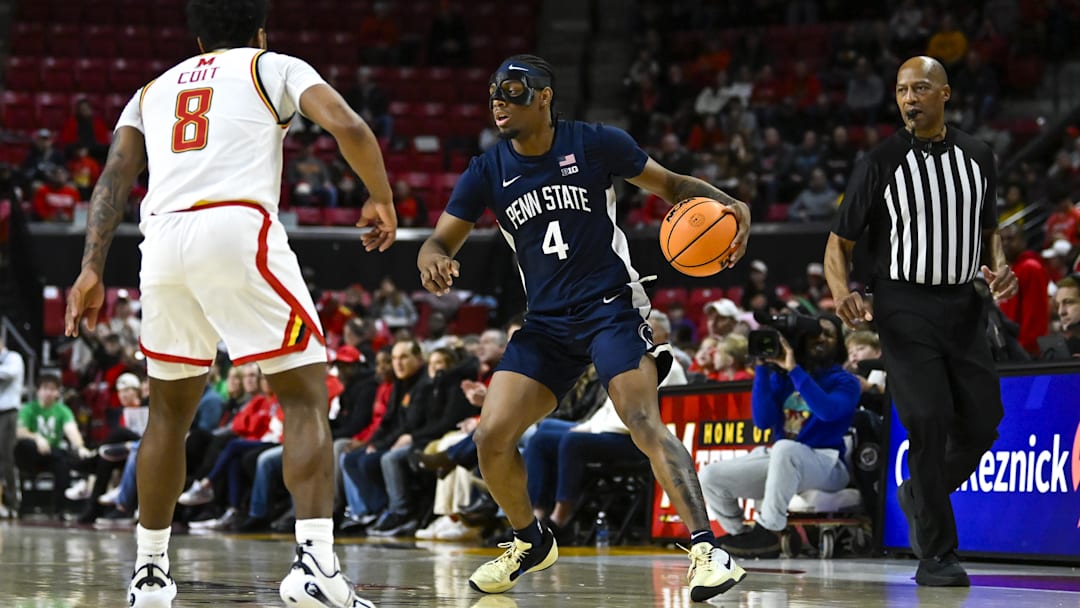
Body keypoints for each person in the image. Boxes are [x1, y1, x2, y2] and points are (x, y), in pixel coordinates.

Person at [62, 1, 395, 606]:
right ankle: (316, 566)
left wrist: (90, 268)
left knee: (167, 416)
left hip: (161, 242)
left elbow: (114, 177)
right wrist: (381, 197)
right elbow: (348, 125)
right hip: (236, 228)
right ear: (259, 32)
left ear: (197, 41)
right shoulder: (274, 65)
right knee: (305, 394)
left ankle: (150, 574)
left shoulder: (150, 90)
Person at [417, 54, 751, 602]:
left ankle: (708, 550)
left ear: (545, 96)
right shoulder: (487, 170)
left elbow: (671, 185)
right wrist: (432, 258)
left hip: (609, 307)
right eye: (494, 91)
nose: (499, 100)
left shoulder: (596, 143)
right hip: (546, 323)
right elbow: (439, 240)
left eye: (513, 90)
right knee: (490, 437)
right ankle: (530, 541)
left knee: (641, 419)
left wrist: (730, 203)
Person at [824, 56, 1018, 587]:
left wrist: (1000, 269)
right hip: (903, 303)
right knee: (928, 420)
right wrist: (841, 293)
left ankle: (918, 494)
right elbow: (838, 243)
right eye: (902, 90)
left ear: (945, 94)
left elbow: (990, 231)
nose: (910, 98)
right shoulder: (879, 161)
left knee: (984, 421)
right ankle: (937, 555)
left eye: (921, 88)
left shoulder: (979, 156)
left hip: (964, 304)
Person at [699, 314, 859, 557]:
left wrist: (795, 370)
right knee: (710, 476)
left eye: (829, 334)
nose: (821, 339)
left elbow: (827, 412)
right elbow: (763, 421)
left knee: (785, 448)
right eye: (816, 334)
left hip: (827, 464)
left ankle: (770, 530)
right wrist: (763, 368)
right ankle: (742, 535)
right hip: (783, 459)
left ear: (839, 344)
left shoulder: (845, 381)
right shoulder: (783, 378)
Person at [997, 223, 1049, 355]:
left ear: (1023, 241)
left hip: (1025, 351)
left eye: (1010, 239)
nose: (1005, 243)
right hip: (1011, 347)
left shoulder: (1030, 268)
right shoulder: (1007, 270)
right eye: (1002, 239)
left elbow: (1034, 316)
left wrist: (1027, 348)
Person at [0, 336, 25, 518]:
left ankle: (12, 502)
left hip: (8, 413)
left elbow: (8, 373)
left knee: (6, 457)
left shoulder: (13, 358)